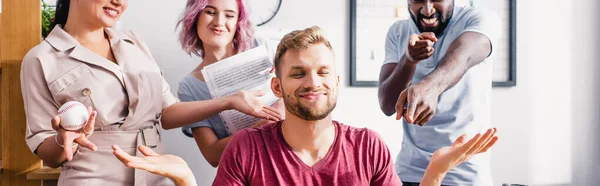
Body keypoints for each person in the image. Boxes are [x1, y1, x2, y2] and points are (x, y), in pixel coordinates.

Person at [112, 26, 499, 186]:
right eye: (298, 74)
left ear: (336, 83)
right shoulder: (246, 150)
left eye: (321, 72)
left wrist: (435, 172)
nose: (312, 82)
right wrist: (185, 179)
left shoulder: (368, 148)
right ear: (277, 87)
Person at [20, 0, 279, 185]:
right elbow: (46, 150)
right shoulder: (42, 59)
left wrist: (229, 102)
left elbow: (166, 112)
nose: (118, 2)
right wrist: (62, 139)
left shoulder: (134, 42)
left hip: (156, 173)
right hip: (92, 178)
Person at [377, 0, 498, 185]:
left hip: (466, 174)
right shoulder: (398, 31)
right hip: (410, 173)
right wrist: (408, 61)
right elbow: (387, 104)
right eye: (418, 0)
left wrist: (430, 87)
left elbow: (463, 56)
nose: (427, 9)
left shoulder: (478, 19)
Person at [173, 0, 284, 168]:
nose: (219, 22)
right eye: (210, 12)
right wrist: (265, 126)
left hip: (291, 155)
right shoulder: (190, 87)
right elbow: (212, 155)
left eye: (229, 15)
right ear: (195, 17)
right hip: (247, 170)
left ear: (238, 22)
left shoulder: (262, 47)